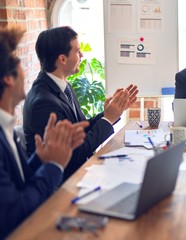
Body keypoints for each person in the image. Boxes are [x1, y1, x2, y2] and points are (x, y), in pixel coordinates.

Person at [0, 26, 88, 238]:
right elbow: (14, 213)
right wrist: (53, 165)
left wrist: (41, 158)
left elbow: (19, 183)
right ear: (9, 78)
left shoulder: (6, 128)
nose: (25, 72)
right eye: (19, 63)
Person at [23, 26, 139, 181]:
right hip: (62, 183)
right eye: (77, 51)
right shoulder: (43, 103)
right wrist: (108, 120)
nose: (82, 55)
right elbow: (75, 154)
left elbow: (80, 128)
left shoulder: (63, 85)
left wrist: (108, 113)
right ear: (62, 59)